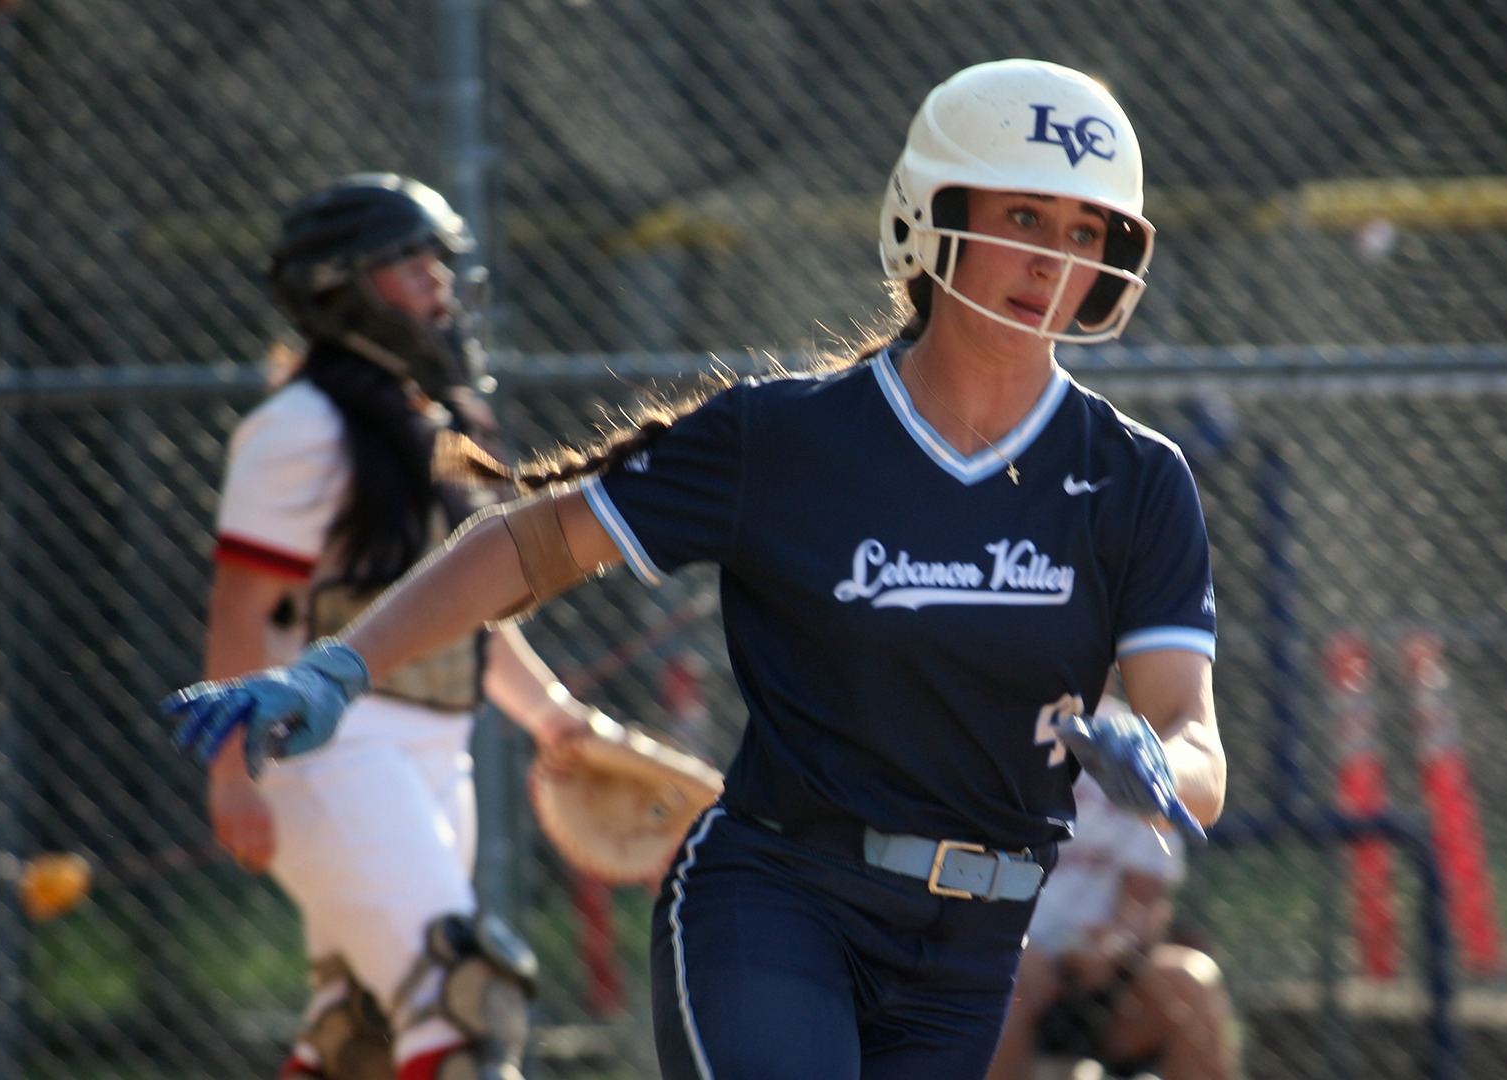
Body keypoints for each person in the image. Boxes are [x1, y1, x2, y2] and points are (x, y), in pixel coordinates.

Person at [166, 59, 1227, 1079]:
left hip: (977, 943)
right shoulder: (790, 436)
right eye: (1023, 218)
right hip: (782, 897)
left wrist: (1160, 770)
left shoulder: (1137, 479)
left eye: (1085, 231)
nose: (1053, 258)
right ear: (931, 216)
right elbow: (534, 541)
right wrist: (337, 670)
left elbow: (1196, 741)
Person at [198, 173, 604, 1080]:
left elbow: (461, 614)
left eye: (439, 264)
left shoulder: (437, 421)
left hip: (430, 754)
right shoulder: (299, 423)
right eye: (409, 265)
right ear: (338, 286)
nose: (439, 286)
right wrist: (232, 775)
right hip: (331, 749)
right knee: (466, 1002)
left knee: (361, 1041)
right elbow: (242, 605)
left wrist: (549, 716)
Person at [987, 765, 1238, 1080]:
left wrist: (1115, 944)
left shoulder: (1130, 762)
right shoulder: (1001, 756)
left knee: (1193, 983)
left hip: (1116, 977)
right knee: (1003, 982)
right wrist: (1017, 947)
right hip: (1020, 965)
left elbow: (1148, 898)